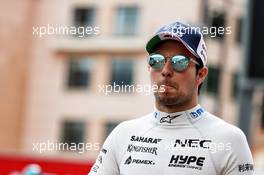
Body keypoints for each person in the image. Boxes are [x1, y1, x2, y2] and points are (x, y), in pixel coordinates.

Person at [88, 21, 254, 175]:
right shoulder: (123, 134)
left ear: (201, 75)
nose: (166, 70)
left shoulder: (229, 139)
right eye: (157, 60)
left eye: (179, 62)